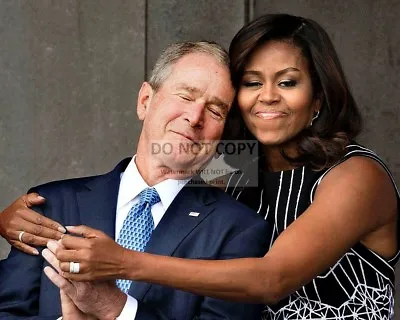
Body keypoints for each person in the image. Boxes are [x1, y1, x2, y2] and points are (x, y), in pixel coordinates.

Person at [1, 13, 399, 320]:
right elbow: (156, 174)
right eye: (252, 82)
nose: (268, 97)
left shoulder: (357, 175)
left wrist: (124, 263)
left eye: (288, 82)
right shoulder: (238, 165)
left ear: (319, 99)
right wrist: (14, 219)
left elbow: (270, 279)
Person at [0, 41, 270, 319]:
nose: (194, 117)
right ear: (145, 101)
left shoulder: (239, 231)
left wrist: (115, 308)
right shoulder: (50, 205)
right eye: (186, 96)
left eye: (215, 111)